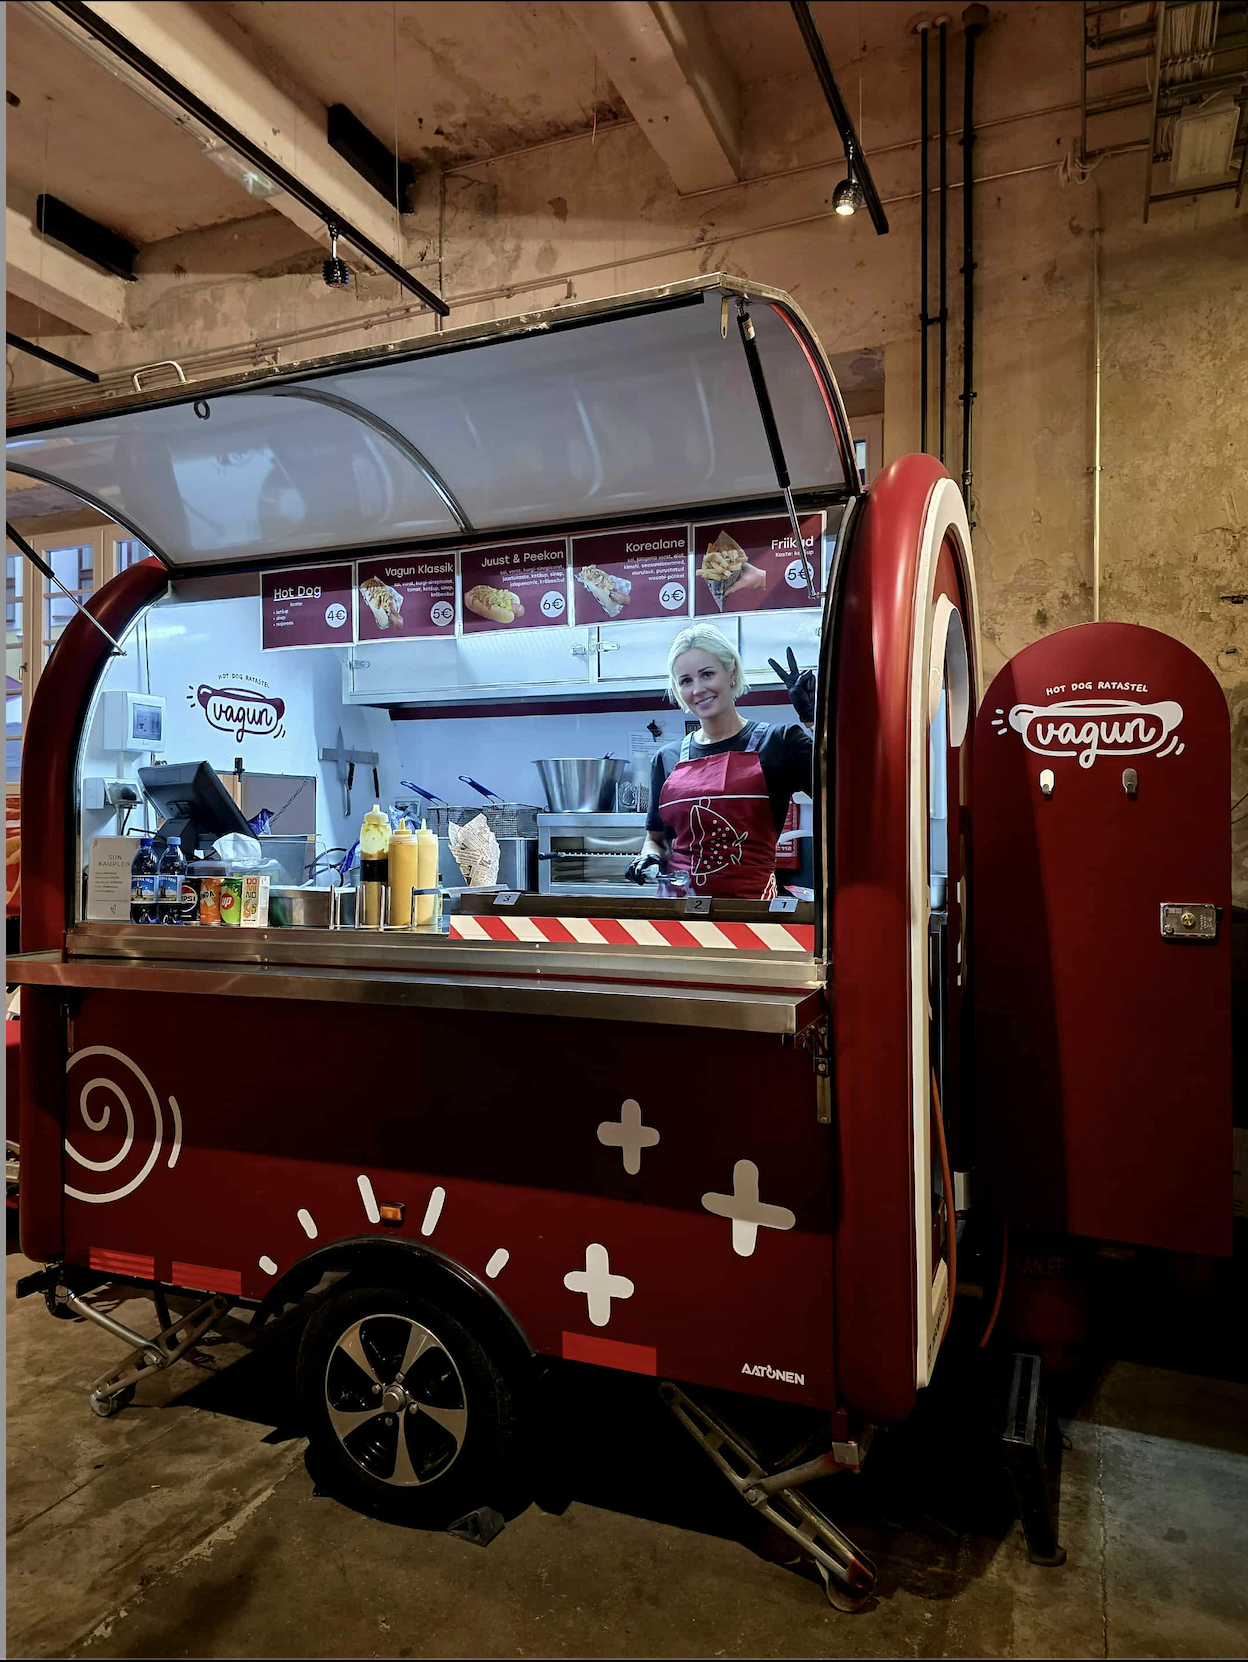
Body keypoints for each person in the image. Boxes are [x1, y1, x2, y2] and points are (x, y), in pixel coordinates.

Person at [626, 625, 815, 899]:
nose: (698, 689)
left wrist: (815, 721)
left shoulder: (780, 742)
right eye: (686, 680)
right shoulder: (666, 758)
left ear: (732, 673)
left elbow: (840, 795)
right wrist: (647, 857)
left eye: (707, 674)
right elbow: (655, 839)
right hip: (675, 915)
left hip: (752, 915)